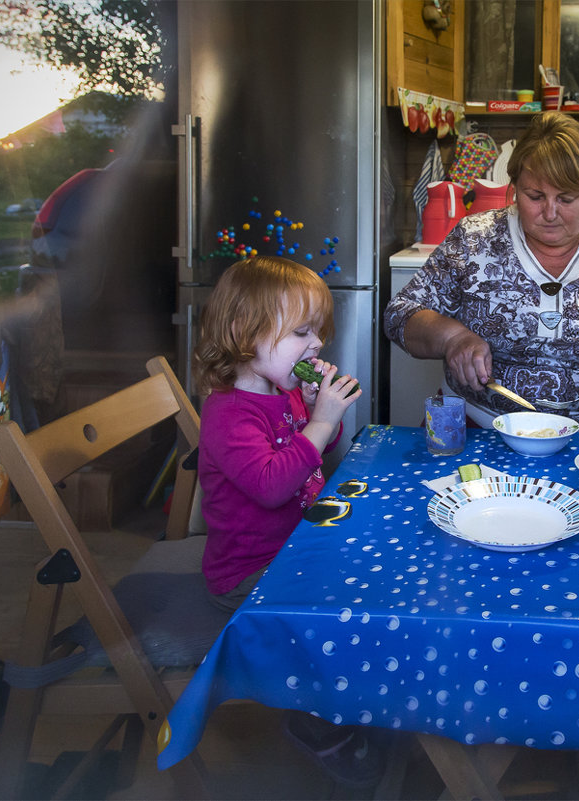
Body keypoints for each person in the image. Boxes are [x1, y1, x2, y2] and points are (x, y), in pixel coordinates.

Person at [384, 111, 579, 455]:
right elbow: (400, 314)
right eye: (534, 196)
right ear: (514, 189)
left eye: (567, 199)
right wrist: (452, 338)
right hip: (479, 421)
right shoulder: (474, 239)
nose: (550, 213)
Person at [194, 255, 382, 787]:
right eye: (300, 331)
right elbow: (273, 487)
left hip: (296, 549)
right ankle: (318, 725)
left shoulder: (285, 392)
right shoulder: (228, 414)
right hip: (250, 574)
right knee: (336, 617)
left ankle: (368, 696)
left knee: (376, 573)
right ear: (243, 334)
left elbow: (314, 459)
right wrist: (320, 423)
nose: (317, 343)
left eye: (317, 331)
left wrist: (324, 416)